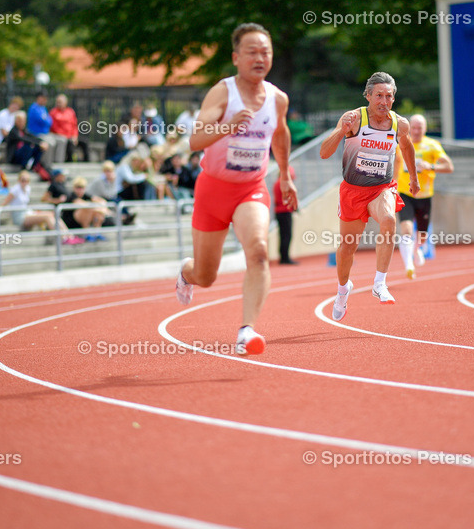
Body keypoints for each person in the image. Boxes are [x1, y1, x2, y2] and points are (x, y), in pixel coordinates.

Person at [175, 23, 297, 356]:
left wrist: (284, 175)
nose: (260, 57)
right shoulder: (222, 93)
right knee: (206, 275)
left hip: (250, 189)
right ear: (236, 57)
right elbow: (195, 140)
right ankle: (188, 272)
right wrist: (228, 126)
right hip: (212, 190)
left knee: (258, 251)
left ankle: (247, 331)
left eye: (266, 52)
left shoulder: (278, 99)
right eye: (252, 51)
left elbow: (281, 136)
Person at [320, 72, 419, 320]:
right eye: (379, 96)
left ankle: (379, 283)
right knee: (346, 249)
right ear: (368, 96)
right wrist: (341, 132)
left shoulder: (399, 124)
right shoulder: (353, 119)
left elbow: (406, 145)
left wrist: (413, 177)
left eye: (389, 96)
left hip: (381, 188)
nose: (384, 101)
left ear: (393, 99)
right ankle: (343, 290)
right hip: (353, 191)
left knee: (388, 219)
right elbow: (324, 152)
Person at [393, 114, 453, 279]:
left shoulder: (432, 145)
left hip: (425, 195)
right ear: (409, 128)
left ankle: (417, 248)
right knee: (405, 229)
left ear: (425, 129)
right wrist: (392, 186)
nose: (417, 131)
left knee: (422, 236)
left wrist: (431, 166)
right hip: (406, 193)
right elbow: (397, 164)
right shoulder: (402, 143)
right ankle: (409, 266)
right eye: (414, 127)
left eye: (420, 128)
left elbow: (449, 166)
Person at [4, 111, 50, 178]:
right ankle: (24, 166)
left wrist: (42, 142)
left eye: (23, 121)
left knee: (38, 147)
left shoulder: (24, 130)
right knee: (28, 145)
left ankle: (34, 166)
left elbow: (32, 137)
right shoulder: (13, 131)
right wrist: (38, 144)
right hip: (15, 157)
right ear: (16, 121)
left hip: (22, 154)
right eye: (20, 121)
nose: (22, 123)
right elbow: (24, 139)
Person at [49, 94, 88, 162]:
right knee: (68, 144)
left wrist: (75, 136)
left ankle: (86, 162)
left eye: (60, 102)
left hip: (71, 136)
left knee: (84, 142)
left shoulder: (70, 112)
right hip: (60, 136)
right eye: (57, 102)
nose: (58, 104)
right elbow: (54, 127)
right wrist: (67, 136)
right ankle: (65, 162)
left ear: (65, 103)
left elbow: (74, 125)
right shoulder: (53, 112)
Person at [273, 164, 297, 264]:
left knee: (283, 235)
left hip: (279, 211)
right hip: (285, 211)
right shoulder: (282, 183)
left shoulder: (277, 183)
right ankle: (285, 257)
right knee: (287, 235)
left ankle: (283, 256)